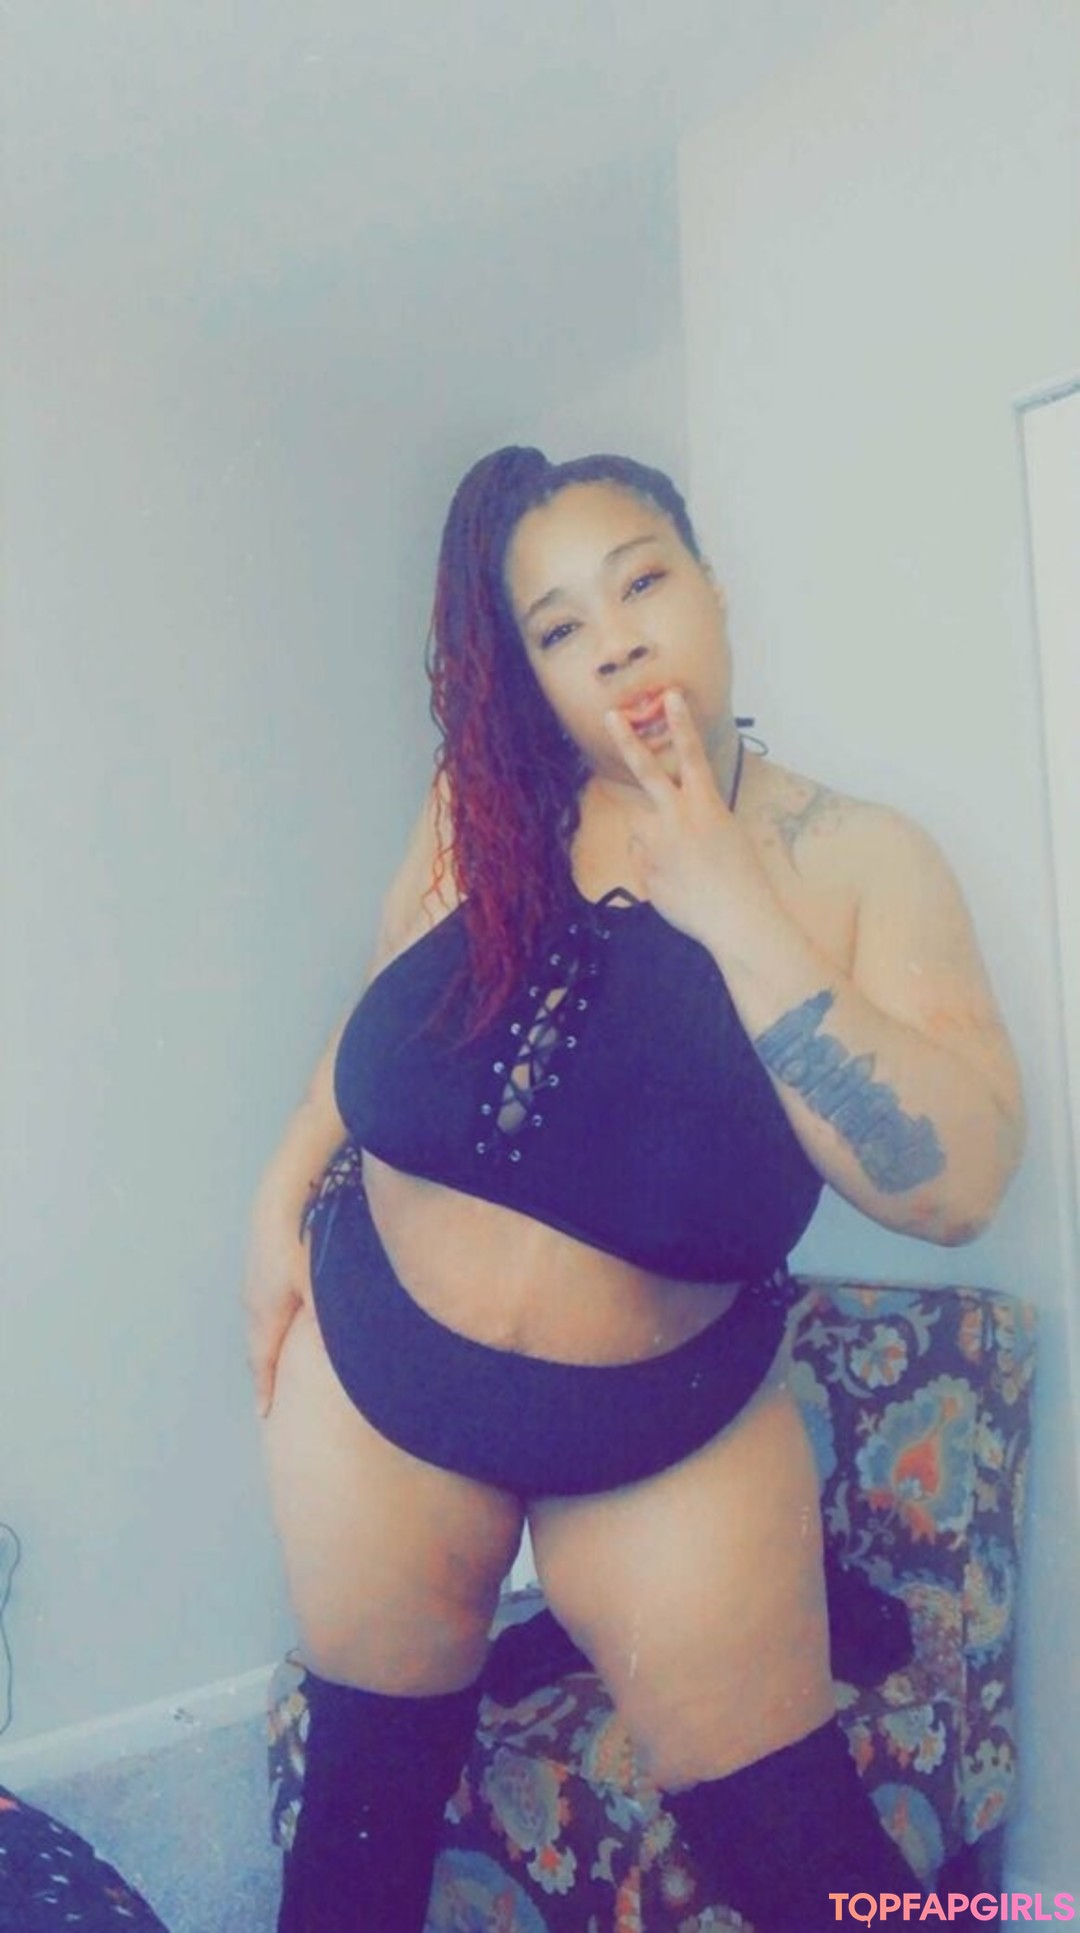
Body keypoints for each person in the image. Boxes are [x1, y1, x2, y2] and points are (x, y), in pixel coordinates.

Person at [246, 445, 1024, 1932]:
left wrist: (729, 898)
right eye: (557, 626)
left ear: (711, 588)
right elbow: (383, 1008)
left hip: (667, 1430)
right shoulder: (479, 806)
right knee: (356, 1835)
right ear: (535, 673)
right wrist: (279, 1187)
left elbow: (959, 1181)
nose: (611, 641)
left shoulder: (859, 860)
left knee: (808, 1867)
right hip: (380, 1378)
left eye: (641, 582)